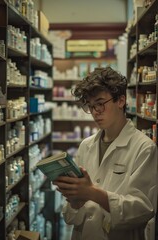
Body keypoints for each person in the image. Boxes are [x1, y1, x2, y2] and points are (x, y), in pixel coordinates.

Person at [53, 67, 157, 240]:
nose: (95, 112)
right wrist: (75, 201)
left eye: (100, 103)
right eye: (91, 106)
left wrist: (92, 193)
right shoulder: (86, 146)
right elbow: (69, 217)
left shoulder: (144, 148)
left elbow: (143, 210)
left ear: (121, 100)